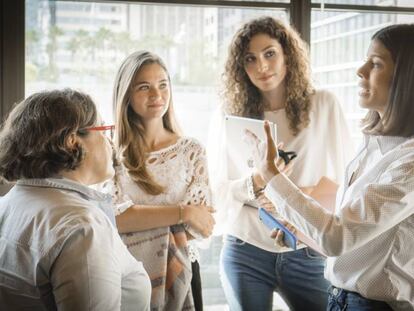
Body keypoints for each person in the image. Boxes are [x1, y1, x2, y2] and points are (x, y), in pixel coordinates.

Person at [247, 23, 414, 311]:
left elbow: (338, 237)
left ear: (408, 77)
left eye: (375, 63)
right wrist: (300, 228)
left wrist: (271, 175)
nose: (360, 71)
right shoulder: (373, 144)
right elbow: (353, 238)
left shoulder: (409, 163)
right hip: (340, 298)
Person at [208, 16, 353, 311]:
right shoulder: (229, 115)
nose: (261, 66)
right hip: (245, 248)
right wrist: (256, 185)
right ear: (240, 67)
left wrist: (296, 200)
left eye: (270, 53)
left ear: (288, 54)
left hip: (307, 249)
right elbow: (219, 191)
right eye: (250, 59)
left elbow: (348, 181)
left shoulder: (324, 104)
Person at [0, 89, 151, 310]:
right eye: (104, 130)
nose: (110, 142)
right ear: (72, 141)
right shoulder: (82, 227)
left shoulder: (7, 204)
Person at [108, 50, 215, 311]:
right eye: (144, 87)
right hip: (125, 273)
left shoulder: (191, 150)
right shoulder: (110, 151)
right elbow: (115, 219)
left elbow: (202, 226)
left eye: (163, 85)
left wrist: (142, 218)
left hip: (183, 270)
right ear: (126, 94)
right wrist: (183, 212)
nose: (157, 95)